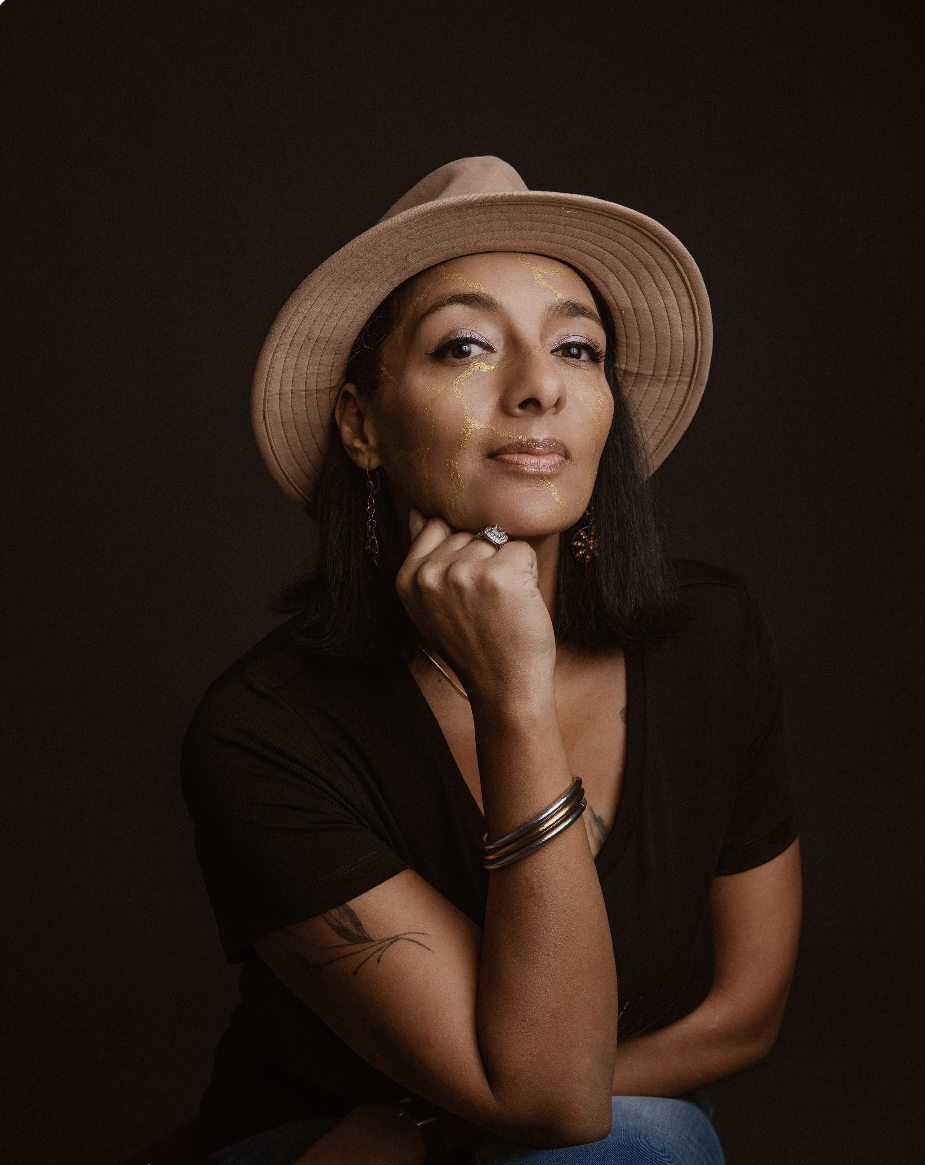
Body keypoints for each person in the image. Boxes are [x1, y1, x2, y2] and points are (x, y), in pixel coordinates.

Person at [181, 157, 801, 1165]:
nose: (535, 387)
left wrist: (424, 1124)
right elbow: (547, 1099)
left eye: (576, 346)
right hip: (319, 1152)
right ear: (361, 424)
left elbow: (737, 1015)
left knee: (630, 1139)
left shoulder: (709, 632)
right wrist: (517, 696)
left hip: (422, 1137)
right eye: (465, 346)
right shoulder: (264, 727)